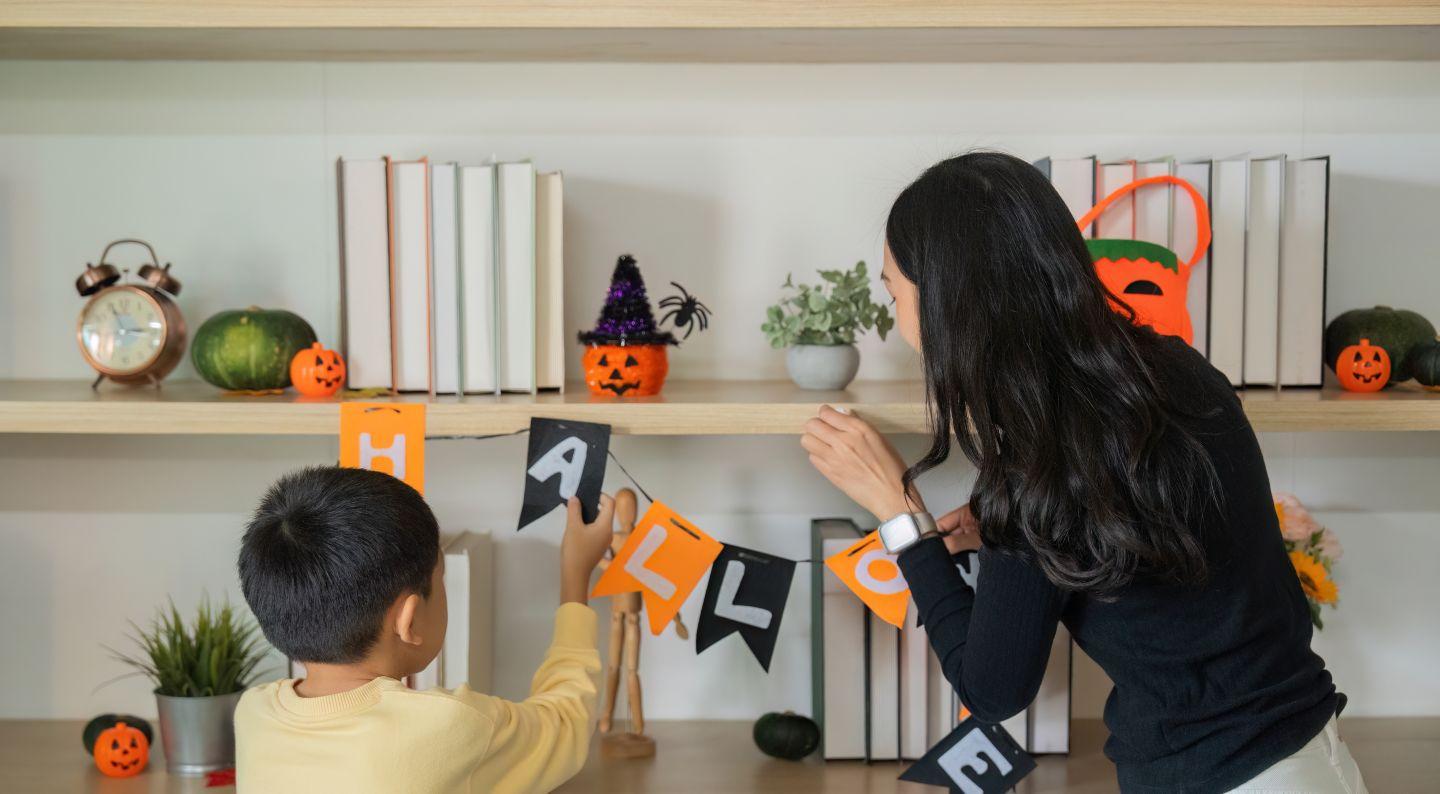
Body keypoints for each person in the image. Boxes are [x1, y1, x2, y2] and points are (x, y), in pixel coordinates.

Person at [802, 152, 1365, 793]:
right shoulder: (1174, 370)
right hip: (1313, 752)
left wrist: (903, 518)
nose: (898, 319)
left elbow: (991, 690)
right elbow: (1150, 529)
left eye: (893, 290)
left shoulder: (1041, 459)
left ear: (944, 301)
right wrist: (1007, 525)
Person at [234, 466, 614, 794]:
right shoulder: (449, 725)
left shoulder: (253, 714)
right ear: (409, 619)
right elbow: (566, 724)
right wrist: (574, 576)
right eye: (441, 577)